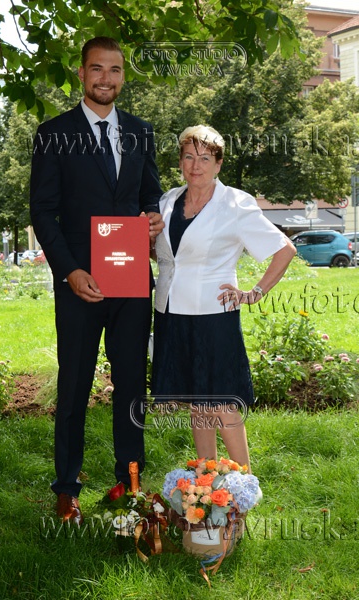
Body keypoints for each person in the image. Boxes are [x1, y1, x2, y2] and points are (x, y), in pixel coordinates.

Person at [30, 37, 163, 525]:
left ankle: (130, 483)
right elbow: (42, 211)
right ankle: (67, 489)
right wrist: (69, 270)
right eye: (97, 69)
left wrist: (153, 218)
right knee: (74, 387)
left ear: (123, 75)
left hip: (131, 282)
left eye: (115, 69)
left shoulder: (141, 132)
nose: (106, 78)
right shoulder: (53, 134)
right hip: (79, 284)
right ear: (81, 74)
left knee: (131, 387)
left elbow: (149, 195)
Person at [151, 125, 296, 471]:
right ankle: (206, 484)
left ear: (218, 164)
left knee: (222, 403)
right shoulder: (167, 201)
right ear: (180, 162)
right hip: (171, 312)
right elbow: (168, 256)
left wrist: (254, 292)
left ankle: (243, 485)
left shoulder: (236, 204)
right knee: (197, 402)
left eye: (205, 158)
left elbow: (285, 249)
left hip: (214, 316)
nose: (195, 166)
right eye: (189, 157)